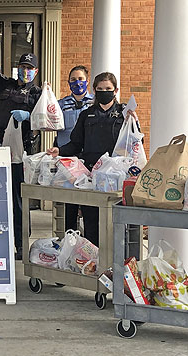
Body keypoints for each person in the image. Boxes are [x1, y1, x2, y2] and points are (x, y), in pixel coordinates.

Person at [47, 72, 139, 246]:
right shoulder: (86, 115)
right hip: (92, 176)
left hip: (117, 178)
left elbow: (135, 142)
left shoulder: (124, 113)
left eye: (108, 89)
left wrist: (133, 122)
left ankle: (116, 265)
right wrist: (59, 150)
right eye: (100, 89)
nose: (104, 92)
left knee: (115, 223)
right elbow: (75, 144)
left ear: (116, 90)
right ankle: (92, 262)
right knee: (91, 222)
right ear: (94, 91)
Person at [0, 46, 42, 259]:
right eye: (22, 66)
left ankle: (20, 243)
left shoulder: (37, 93)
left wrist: (27, 116)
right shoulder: (6, 85)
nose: (25, 70)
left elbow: (45, 118)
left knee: (18, 199)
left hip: (20, 152)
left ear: (35, 71)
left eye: (29, 68)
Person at [54, 65, 94, 233]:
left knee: (88, 204)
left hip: (89, 160)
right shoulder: (61, 105)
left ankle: (89, 246)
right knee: (69, 203)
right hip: (68, 159)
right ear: (68, 83)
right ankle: (70, 242)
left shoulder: (94, 104)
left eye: (80, 79)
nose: (77, 83)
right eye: (73, 80)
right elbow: (49, 122)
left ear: (87, 81)